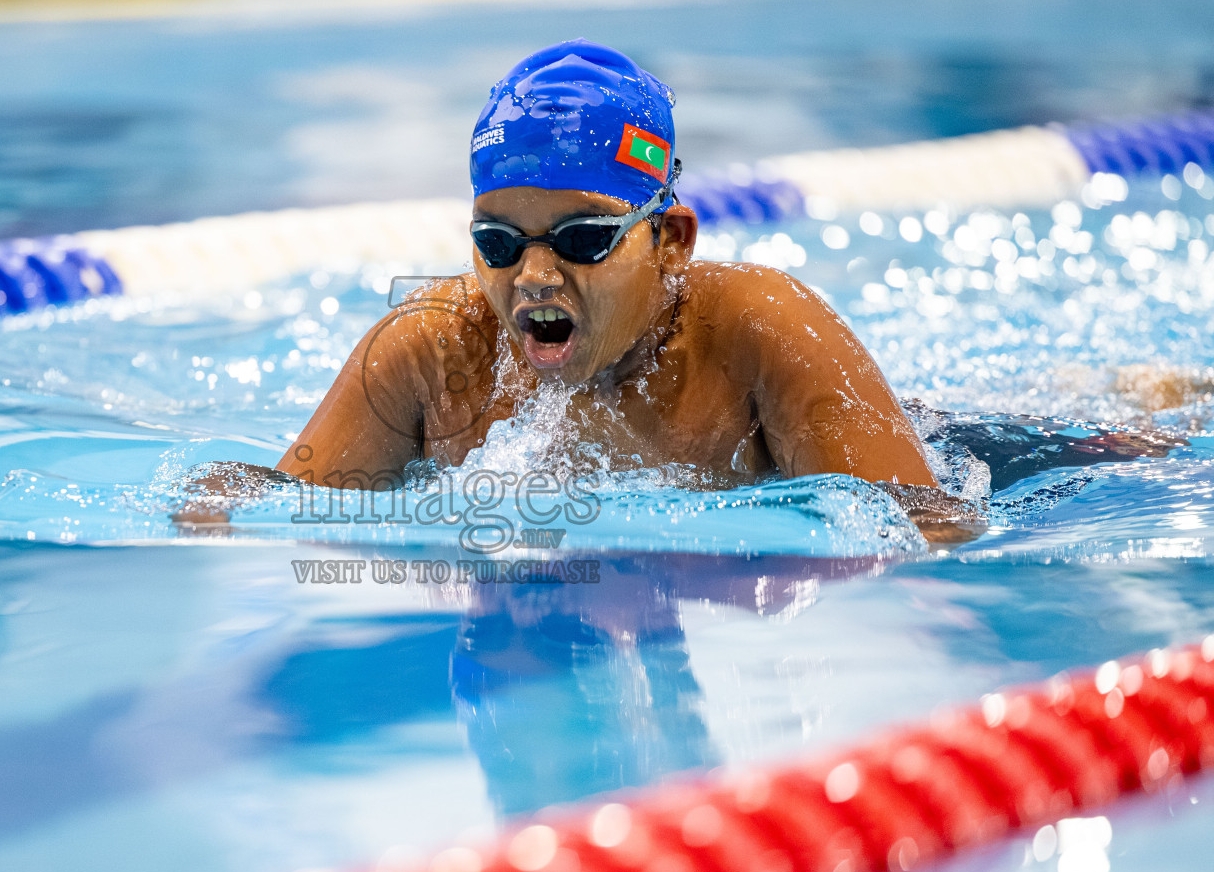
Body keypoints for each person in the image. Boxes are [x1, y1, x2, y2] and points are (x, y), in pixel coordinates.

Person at [251, 39, 980, 543]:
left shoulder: (764, 333)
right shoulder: (428, 350)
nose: (533, 276)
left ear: (670, 243)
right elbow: (266, 517)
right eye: (497, 244)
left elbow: (935, 533)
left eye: (582, 239)